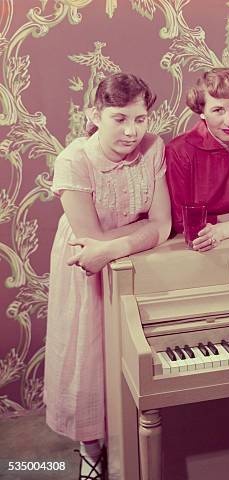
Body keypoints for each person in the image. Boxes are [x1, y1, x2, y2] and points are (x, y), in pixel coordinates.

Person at [44, 73, 171, 479]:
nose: (133, 131)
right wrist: (136, 232)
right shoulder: (73, 160)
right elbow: (89, 242)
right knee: (91, 353)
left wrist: (115, 246)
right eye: (120, 119)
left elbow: (163, 225)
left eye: (140, 118)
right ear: (94, 116)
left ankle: (131, 442)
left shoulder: (153, 148)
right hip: (85, 270)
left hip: (127, 260)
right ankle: (91, 448)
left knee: (131, 354)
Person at [165, 68, 229, 251]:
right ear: (202, 111)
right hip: (200, 246)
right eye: (218, 110)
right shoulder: (179, 151)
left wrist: (224, 228)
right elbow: (181, 220)